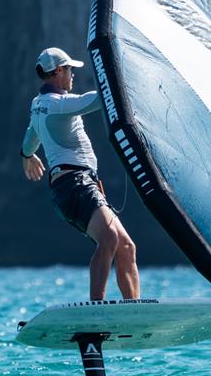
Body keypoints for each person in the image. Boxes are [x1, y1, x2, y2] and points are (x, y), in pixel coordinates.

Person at [20, 47, 140, 301]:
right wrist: (125, 73)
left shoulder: (38, 105)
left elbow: (31, 138)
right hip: (75, 185)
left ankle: (134, 307)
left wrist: (27, 156)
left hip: (77, 186)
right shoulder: (58, 104)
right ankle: (96, 307)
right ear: (59, 71)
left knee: (126, 247)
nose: (73, 75)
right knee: (108, 240)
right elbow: (100, 99)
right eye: (70, 70)